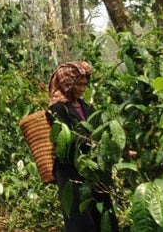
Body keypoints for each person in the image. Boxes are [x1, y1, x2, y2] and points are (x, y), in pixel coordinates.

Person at [46, 61, 119, 232]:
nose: (82, 89)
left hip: (94, 169)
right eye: (79, 84)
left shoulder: (87, 106)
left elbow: (101, 131)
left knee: (103, 215)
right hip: (71, 170)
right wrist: (97, 145)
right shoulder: (57, 108)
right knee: (81, 220)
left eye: (85, 84)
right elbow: (68, 141)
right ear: (66, 84)